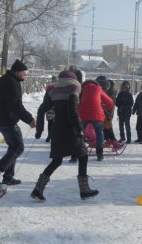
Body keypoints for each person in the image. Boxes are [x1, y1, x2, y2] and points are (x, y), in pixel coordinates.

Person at [33, 70, 98, 201]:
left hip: (57, 129)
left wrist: (39, 130)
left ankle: (37, 190)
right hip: (71, 129)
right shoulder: (74, 87)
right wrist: (79, 129)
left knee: (56, 161)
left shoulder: (54, 90)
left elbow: (41, 109)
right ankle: (84, 190)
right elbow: (71, 110)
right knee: (83, 156)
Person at [0, 59, 36, 185]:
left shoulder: (6, 79)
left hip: (0, 117)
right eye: (24, 73)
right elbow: (16, 105)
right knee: (18, 147)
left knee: (13, 146)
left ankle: (8, 177)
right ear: (17, 72)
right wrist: (29, 119)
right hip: (5, 119)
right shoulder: (11, 83)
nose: (25, 75)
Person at [78, 75, 114, 161]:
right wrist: (104, 107)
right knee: (99, 133)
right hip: (97, 114)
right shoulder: (98, 88)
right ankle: (99, 154)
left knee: (80, 133)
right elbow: (110, 102)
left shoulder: (82, 89)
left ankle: (78, 153)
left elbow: (77, 101)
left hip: (84, 114)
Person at [44, 76, 57, 142]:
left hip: (49, 108)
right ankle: (53, 136)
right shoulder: (58, 89)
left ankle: (49, 136)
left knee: (50, 123)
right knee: (55, 123)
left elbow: (45, 99)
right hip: (55, 108)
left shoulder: (48, 89)